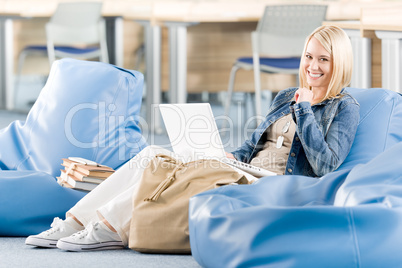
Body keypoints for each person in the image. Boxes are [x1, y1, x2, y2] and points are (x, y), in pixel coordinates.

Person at [25, 25, 360, 251]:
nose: (312, 66)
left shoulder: (344, 107)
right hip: (247, 170)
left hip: (276, 184)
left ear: (338, 62)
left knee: (191, 167)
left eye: (323, 60)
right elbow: (254, 146)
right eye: (308, 57)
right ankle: (75, 221)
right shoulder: (287, 94)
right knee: (154, 153)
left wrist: (303, 111)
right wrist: (230, 154)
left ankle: (108, 229)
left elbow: (325, 165)